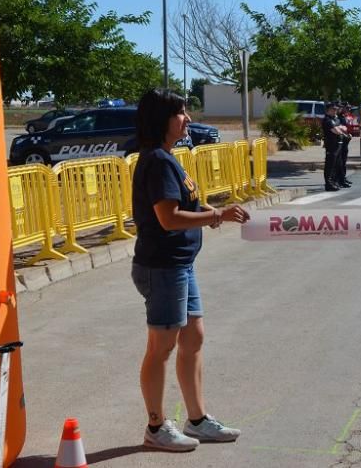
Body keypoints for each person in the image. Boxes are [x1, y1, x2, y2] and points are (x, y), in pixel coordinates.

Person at [130, 88, 250, 452]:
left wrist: (214, 208)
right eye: (181, 113)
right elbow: (167, 218)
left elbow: (187, 202)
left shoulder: (169, 158)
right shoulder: (158, 161)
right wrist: (217, 216)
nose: (188, 119)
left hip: (180, 265)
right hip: (163, 267)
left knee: (193, 338)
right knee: (161, 347)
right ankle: (156, 426)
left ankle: (197, 420)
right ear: (162, 120)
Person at [322, 102, 349, 191]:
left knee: (336, 165)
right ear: (328, 110)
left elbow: (344, 128)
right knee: (330, 165)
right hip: (331, 145)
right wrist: (340, 129)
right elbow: (336, 130)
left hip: (338, 145)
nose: (335, 111)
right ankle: (328, 184)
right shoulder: (327, 120)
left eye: (336, 109)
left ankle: (333, 182)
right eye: (333, 109)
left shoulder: (335, 119)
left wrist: (340, 128)